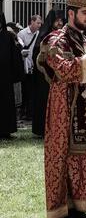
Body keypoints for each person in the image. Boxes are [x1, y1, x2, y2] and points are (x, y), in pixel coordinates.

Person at [39, 0, 86, 218]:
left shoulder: (85, 40)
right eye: (85, 13)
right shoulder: (56, 40)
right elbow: (66, 71)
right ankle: (61, 214)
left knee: (83, 159)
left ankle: (80, 210)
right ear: (71, 13)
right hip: (64, 111)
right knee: (63, 158)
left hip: (84, 111)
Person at [31, 9, 64, 137]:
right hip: (44, 78)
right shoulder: (44, 36)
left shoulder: (63, 35)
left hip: (60, 76)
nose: (60, 23)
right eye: (57, 20)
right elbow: (37, 56)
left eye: (61, 20)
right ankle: (43, 130)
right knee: (44, 102)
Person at [0, 13, 25, 139]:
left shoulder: (8, 36)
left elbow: (15, 57)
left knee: (6, 104)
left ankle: (5, 130)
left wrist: (16, 74)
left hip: (5, 78)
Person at [18, 14, 42, 120]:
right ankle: (23, 111)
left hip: (34, 65)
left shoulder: (39, 34)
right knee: (25, 89)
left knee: (33, 89)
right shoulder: (22, 33)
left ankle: (30, 112)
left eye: (40, 23)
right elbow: (18, 48)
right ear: (31, 22)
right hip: (24, 65)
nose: (39, 25)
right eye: (37, 22)